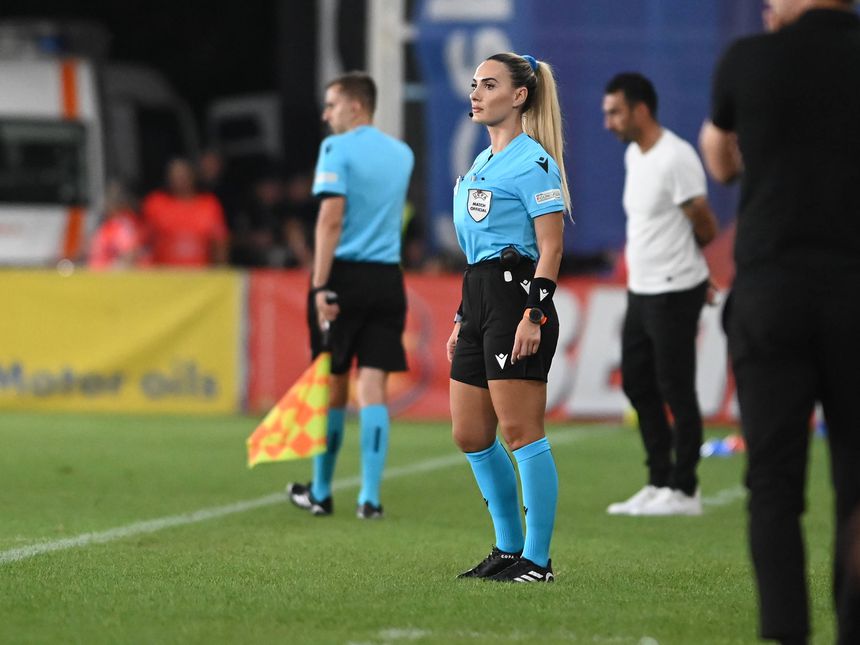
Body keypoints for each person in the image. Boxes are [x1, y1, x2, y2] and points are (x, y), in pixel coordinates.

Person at [699, 1, 860, 642]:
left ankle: (786, 632)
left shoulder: (750, 59)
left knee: (772, 482)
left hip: (773, 291)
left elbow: (720, 160)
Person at [447, 53, 569, 583]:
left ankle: (537, 561)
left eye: (489, 84)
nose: (476, 93)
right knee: (470, 433)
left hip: (516, 299)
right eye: (475, 83)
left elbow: (551, 248)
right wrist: (461, 315)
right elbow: (478, 251)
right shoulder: (481, 161)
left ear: (519, 96)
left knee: (521, 432)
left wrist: (533, 314)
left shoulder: (534, 161)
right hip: (478, 298)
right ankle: (506, 547)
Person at [287, 72, 414, 520]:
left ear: (356, 106)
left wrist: (320, 284)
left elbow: (330, 220)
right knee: (374, 386)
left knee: (333, 382)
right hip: (388, 279)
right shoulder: (402, 154)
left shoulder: (336, 149)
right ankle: (370, 498)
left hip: (342, 277)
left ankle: (321, 492)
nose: (326, 115)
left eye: (332, 104)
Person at [601, 73, 718, 517]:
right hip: (641, 289)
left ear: (641, 110)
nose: (609, 122)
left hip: (674, 290)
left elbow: (703, 223)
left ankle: (685, 490)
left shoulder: (676, 156)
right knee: (637, 382)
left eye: (615, 112)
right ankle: (659, 480)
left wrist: (690, 268)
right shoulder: (635, 154)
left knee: (676, 388)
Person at [141, 158, 229, 267]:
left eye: (183, 175)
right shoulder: (155, 203)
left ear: (192, 175)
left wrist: (220, 271)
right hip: (164, 272)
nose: (180, 179)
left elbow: (220, 241)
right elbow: (143, 241)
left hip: (201, 273)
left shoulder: (209, 204)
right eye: (175, 175)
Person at [88, 180, 149, 270]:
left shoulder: (124, 225)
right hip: (97, 272)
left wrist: (114, 268)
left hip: (115, 275)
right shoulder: (105, 226)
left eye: (112, 200)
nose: (107, 204)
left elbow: (130, 254)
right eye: (108, 199)